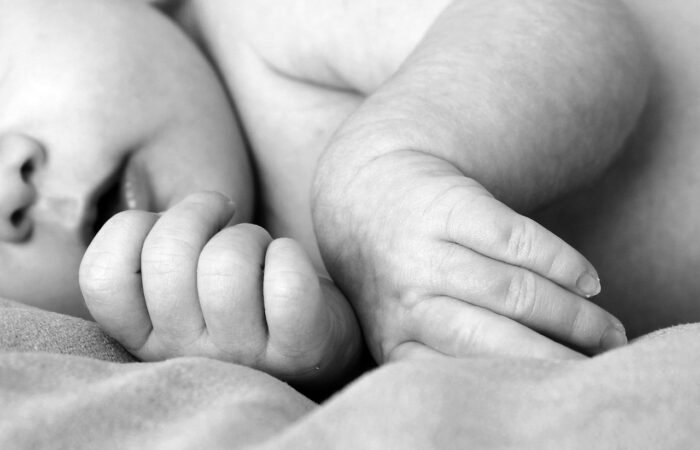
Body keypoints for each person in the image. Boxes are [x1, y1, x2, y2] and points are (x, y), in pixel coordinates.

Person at [0, 0, 645, 391]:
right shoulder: (213, 305)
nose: (7, 188)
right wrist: (318, 348)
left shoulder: (256, 22)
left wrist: (385, 164)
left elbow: (578, 24)